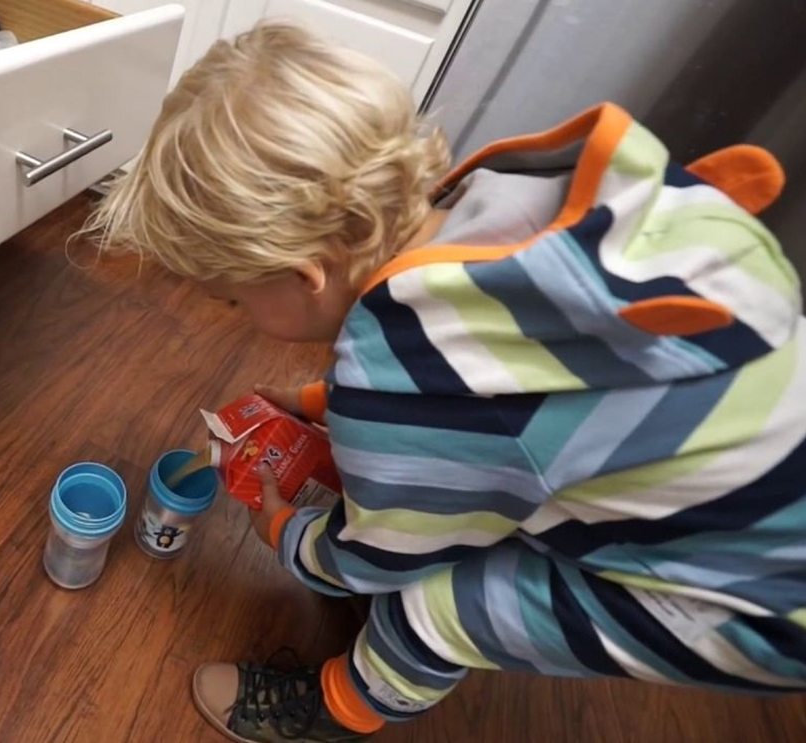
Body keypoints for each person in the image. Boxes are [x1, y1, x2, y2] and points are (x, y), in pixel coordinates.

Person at [89, 22, 806, 743]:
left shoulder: (396, 386)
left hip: (755, 600)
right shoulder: (503, 204)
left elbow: (373, 557)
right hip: (764, 478)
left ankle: (342, 707)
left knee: (440, 600)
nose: (236, 315)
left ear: (307, 276)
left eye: (234, 300)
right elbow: (518, 396)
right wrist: (328, 404)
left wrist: (287, 531)